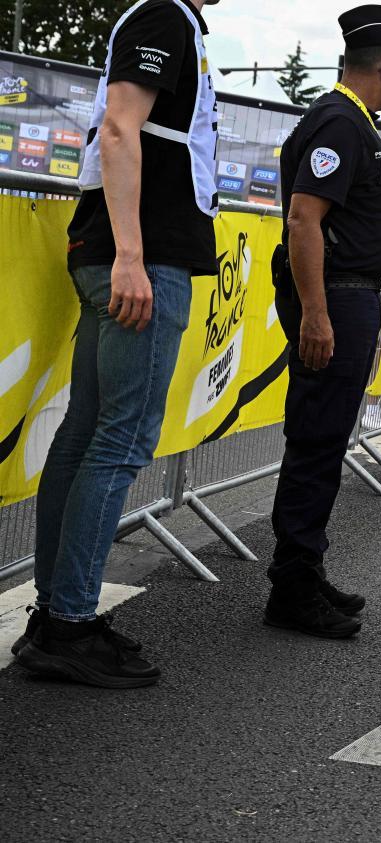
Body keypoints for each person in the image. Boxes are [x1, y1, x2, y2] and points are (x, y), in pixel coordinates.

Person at [13, 0, 221, 688]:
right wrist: (132, 253)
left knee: (86, 434)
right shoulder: (163, 16)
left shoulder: (165, 19)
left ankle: (57, 615)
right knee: (120, 439)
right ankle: (68, 621)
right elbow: (119, 128)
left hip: (125, 250)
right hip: (140, 256)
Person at [262, 5, 381, 639]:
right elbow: (305, 220)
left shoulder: (350, 122)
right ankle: (293, 587)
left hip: (347, 294)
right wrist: (319, 315)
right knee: (317, 439)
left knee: (325, 438)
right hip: (335, 295)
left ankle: (303, 568)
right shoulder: (338, 122)